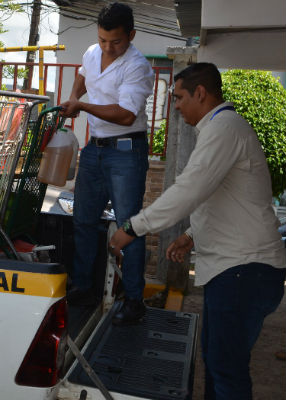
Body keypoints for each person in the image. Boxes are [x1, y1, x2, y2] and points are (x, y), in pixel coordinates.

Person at [109, 62, 286, 399]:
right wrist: (190, 235)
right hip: (238, 271)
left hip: (244, 272)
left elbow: (189, 188)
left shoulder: (224, 128)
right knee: (217, 363)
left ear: (200, 94)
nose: (174, 106)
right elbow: (217, 194)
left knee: (227, 370)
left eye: (178, 97)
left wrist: (133, 227)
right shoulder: (220, 128)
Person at [59, 2, 154, 324]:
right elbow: (83, 75)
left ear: (131, 35)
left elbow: (126, 115)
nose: (108, 47)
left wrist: (81, 106)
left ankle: (135, 300)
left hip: (126, 152)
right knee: (83, 221)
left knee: (130, 225)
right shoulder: (91, 52)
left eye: (115, 41)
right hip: (94, 149)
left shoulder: (137, 66)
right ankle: (84, 287)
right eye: (102, 40)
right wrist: (74, 97)